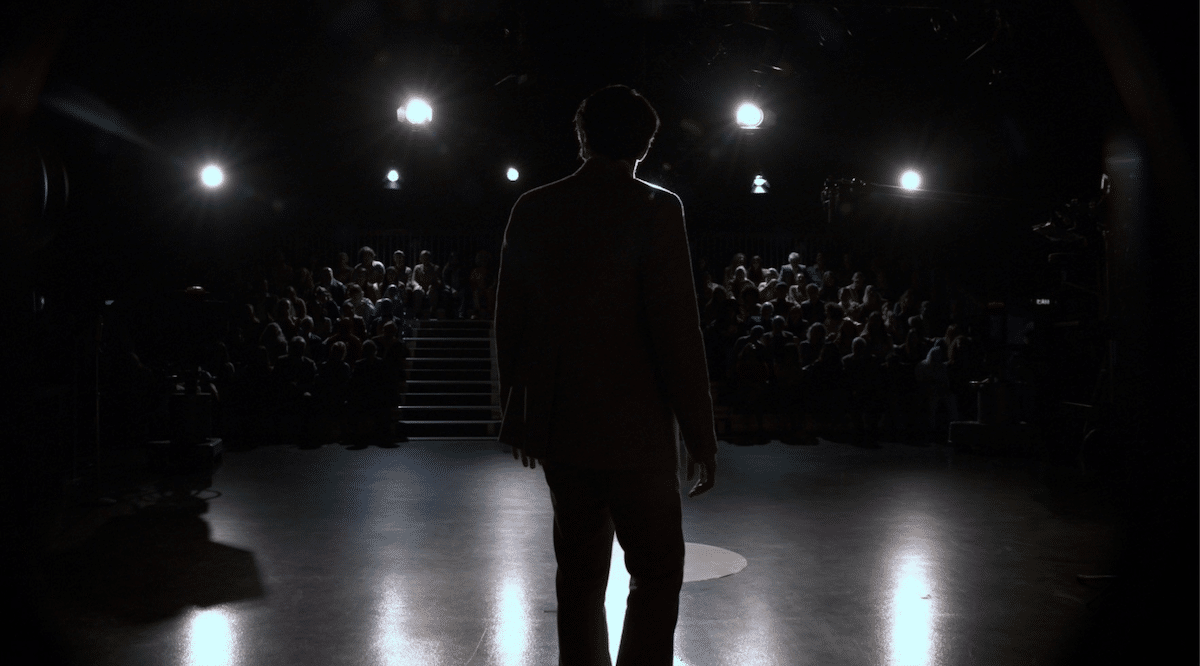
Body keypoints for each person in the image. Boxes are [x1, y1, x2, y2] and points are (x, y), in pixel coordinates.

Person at [493, 84, 717, 666]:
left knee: (580, 575)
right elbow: (677, 330)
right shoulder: (657, 209)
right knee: (656, 573)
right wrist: (700, 435)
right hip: (638, 434)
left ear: (582, 137)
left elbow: (509, 321)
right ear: (644, 145)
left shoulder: (533, 208)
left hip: (564, 428)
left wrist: (518, 413)